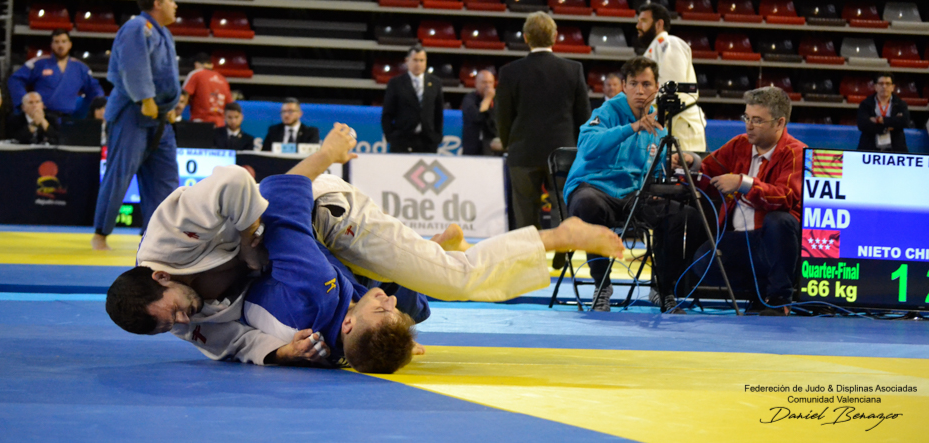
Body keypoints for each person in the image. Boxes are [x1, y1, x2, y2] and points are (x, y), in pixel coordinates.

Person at [104, 124, 625, 371]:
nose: (180, 323)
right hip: (310, 258)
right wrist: (282, 352)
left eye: (172, 313)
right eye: (169, 327)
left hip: (321, 215)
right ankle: (432, 249)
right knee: (404, 304)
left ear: (161, 276)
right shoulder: (180, 320)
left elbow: (245, 184)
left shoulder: (170, 230)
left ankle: (559, 235)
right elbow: (233, 344)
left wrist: (323, 157)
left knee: (454, 279)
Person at [564, 56, 697, 313]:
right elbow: (587, 147)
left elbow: (654, 168)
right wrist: (632, 127)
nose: (640, 91)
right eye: (633, 84)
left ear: (656, 87)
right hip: (596, 189)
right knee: (587, 204)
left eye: (646, 84)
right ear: (624, 86)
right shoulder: (606, 112)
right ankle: (602, 286)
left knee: (683, 215)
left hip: (635, 195)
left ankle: (663, 288)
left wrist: (670, 165)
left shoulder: (659, 123)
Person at [673, 87, 805, 316]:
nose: (749, 125)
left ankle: (779, 299)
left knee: (778, 221)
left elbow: (785, 198)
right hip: (741, 238)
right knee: (703, 262)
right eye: (747, 117)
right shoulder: (739, 144)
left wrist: (743, 183)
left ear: (779, 123)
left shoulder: (796, 152)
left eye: (757, 120)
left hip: (775, 241)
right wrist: (690, 163)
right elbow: (707, 173)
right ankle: (759, 292)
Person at [92, 0, 181, 251]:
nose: (175, 5)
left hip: (159, 115)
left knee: (165, 178)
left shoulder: (164, 33)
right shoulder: (137, 27)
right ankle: (100, 234)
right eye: (171, 0)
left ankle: (157, 237)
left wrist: (170, 105)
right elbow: (132, 66)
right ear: (157, 3)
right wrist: (145, 98)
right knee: (120, 173)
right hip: (133, 111)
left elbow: (166, 76)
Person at [495, 12, 589, 231]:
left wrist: (508, 143)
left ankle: (530, 251)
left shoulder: (509, 72)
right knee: (563, 209)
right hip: (562, 151)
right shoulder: (573, 70)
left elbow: (502, 116)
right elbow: (583, 116)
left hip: (523, 151)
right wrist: (578, 149)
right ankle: (563, 247)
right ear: (555, 37)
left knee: (525, 217)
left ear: (526, 38)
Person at [635, 2, 706, 151]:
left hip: (679, 123)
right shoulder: (653, 49)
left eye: (644, 21)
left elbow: (671, 89)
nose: (638, 25)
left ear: (659, 24)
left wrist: (650, 115)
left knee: (683, 166)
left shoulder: (669, 43)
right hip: (665, 122)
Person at [7, 30, 104, 119]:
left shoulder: (81, 68)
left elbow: (94, 88)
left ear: (70, 44)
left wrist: (100, 103)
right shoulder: (38, 63)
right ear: (51, 45)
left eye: (64, 41)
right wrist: (24, 102)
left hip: (69, 118)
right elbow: (15, 80)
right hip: (42, 116)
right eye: (56, 42)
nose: (60, 45)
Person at [381, 45, 443, 154]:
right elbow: (387, 114)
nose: (418, 64)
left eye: (421, 60)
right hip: (402, 141)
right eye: (415, 60)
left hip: (428, 142)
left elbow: (438, 113)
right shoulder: (396, 83)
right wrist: (391, 137)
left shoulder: (435, 83)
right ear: (407, 61)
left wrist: (437, 136)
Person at [856, 73, 910, 153]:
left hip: (896, 149)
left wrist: (880, 120)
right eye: (881, 84)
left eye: (888, 84)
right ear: (875, 87)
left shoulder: (901, 104)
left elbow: (904, 122)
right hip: (869, 149)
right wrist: (889, 126)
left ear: (893, 87)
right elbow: (862, 124)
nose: (884, 87)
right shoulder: (866, 103)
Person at [181, 53, 231, 127]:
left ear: (196, 64)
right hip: (220, 125)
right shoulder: (223, 79)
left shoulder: (196, 74)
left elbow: (183, 96)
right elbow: (229, 104)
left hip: (200, 123)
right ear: (211, 65)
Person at [461, 69, 499, 155]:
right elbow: (477, 117)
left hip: (492, 149)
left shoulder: (498, 101)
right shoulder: (469, 99)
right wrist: (487, 99)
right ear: (476, 84)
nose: (488, 86)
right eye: (484, 82)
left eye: (490, 82)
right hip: (472, 148)